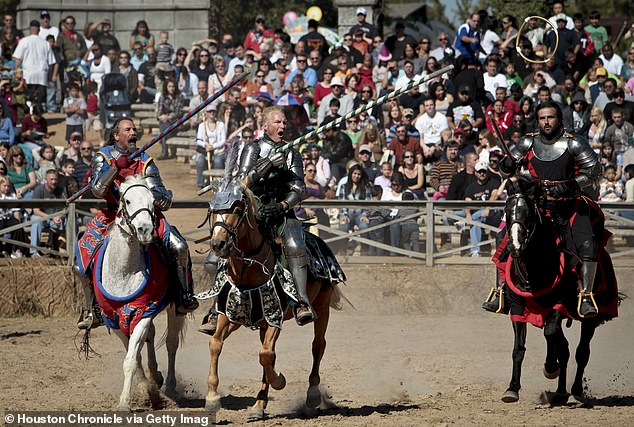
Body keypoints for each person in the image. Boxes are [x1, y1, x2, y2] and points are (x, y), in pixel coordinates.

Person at [74, 118, 199, 329]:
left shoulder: (144, 159)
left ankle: (182, 296)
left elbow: (162, 197)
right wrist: (114, 168)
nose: (133, 132)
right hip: (112, 215)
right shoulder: (103, 156)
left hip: (144, 214)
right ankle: (92, 309)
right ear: (116, 135)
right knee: (80, 261)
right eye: (128, 129)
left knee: (179, 247)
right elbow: (96, 189)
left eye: (134, 129)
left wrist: (154, 194)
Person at [498, 101, 603, 317]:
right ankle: (500, 291)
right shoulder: (528, 141)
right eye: (543, 118)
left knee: (587, 243)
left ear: (559, 119)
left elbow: (594, 170)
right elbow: (506, 165)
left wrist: (572, 184)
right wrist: (506, 166)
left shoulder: (574, 143)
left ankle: (586, 295)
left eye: (551, 117)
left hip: (568, 205)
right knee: (507, 238)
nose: (547, 122)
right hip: (536, 204)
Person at [236, 106, 316, 325]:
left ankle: (301, 301)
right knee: (226, 241)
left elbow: (300, 189)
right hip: (254, 211)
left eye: (284, 123)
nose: (282, 126)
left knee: (295, 245)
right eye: (278, 122)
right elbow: (242, 182)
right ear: (266, 125)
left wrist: (282, 205)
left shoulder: (291, 151)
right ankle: (217, 308)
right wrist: (266, 166)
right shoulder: (253, 148)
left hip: (281, 211)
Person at [12, 20, 57, 109]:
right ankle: (37, 116)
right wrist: (49, 77)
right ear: (39, 30)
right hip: (41, 75)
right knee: (39, 99)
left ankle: (30, 115)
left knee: (28, 98)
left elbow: (17, 59)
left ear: (30, 29)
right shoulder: (46, 44)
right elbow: (51, 63)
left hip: (28, 74)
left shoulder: (24, 41)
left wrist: (16, 73)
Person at [29, 169, 66, 257]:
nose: (54, 182)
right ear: (46, 179)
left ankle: (72, 251)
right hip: (43, 217)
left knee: (71, 220)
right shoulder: (39, 189)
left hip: (57, 218)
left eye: (55, 179)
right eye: (51, 179)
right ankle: (34, 252)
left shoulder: (62, 190)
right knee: (35, 220)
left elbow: (66, 208)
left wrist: (59, 216)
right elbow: (36, 210)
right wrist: (51, 217)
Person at [0, 175, 24, 258]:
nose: (7, 188)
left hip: (9, 218)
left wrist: (18, 222)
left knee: (18, 227)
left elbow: (16, 211)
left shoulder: (12, 195)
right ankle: (2, 249)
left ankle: (16, 249)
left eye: (8, 186)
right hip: (0, 218)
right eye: (4, 186)